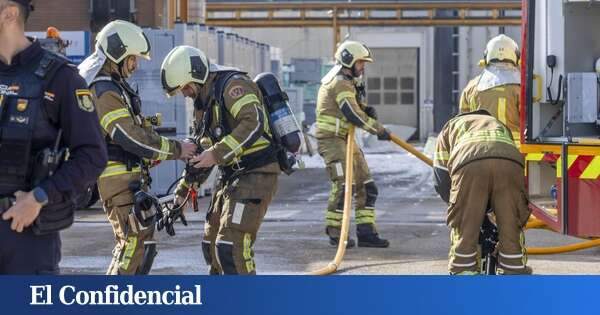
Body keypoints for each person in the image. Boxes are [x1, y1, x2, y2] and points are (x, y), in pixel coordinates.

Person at [78, 20, 196, 275]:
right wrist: (177, 150)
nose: (135, 64)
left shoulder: (113, 86)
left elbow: (135, 129)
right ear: (118, 53)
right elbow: (129, 136)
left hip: (127, 176)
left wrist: (153, 144)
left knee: (140, 242)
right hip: (118, 178)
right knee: (132, 241)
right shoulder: (104, 90)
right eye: (132, 58)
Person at [0, 0, 107, 274]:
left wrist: (39, 196)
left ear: (8, 13)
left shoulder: (60, 79)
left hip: (25, 234)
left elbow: (92, 155)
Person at [160, 45, 280, 275]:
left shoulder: (234, 86)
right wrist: (183, 193)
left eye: (185, 87)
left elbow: (253, 122)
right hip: (232, 177)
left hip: (257, 173)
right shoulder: (204, 103)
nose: (184, 93)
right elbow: (203, 150)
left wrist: (216, 154)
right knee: (211, 243)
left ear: (196, 76)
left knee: (230, 247)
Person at [433, 110, 531, 275]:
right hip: (511, 165)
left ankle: (464, 274)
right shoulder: (498, 124)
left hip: (469, 165)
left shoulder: (449, 127)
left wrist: (462, 206)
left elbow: (441, 179)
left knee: (464, 229)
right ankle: (514, 272)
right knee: (511, 225)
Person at [315, 40, 391, 248]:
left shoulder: (347, 82)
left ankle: (366, 233)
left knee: (368, 187)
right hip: (331, 141)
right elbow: (351, 112)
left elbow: (354, 107)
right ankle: (336, 232)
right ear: (349, 61)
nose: (363, 67)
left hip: (345, 140)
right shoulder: (339, 82)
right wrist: (378, 129)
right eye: (360, 63)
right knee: (343, 184)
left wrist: (365, 108)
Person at [459, 34, 521, 143]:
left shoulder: (471, 87)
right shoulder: (519, 88)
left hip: (477, 148)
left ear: (486, 56)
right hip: (514, 151)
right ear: (515, 56)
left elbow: (462, 121)